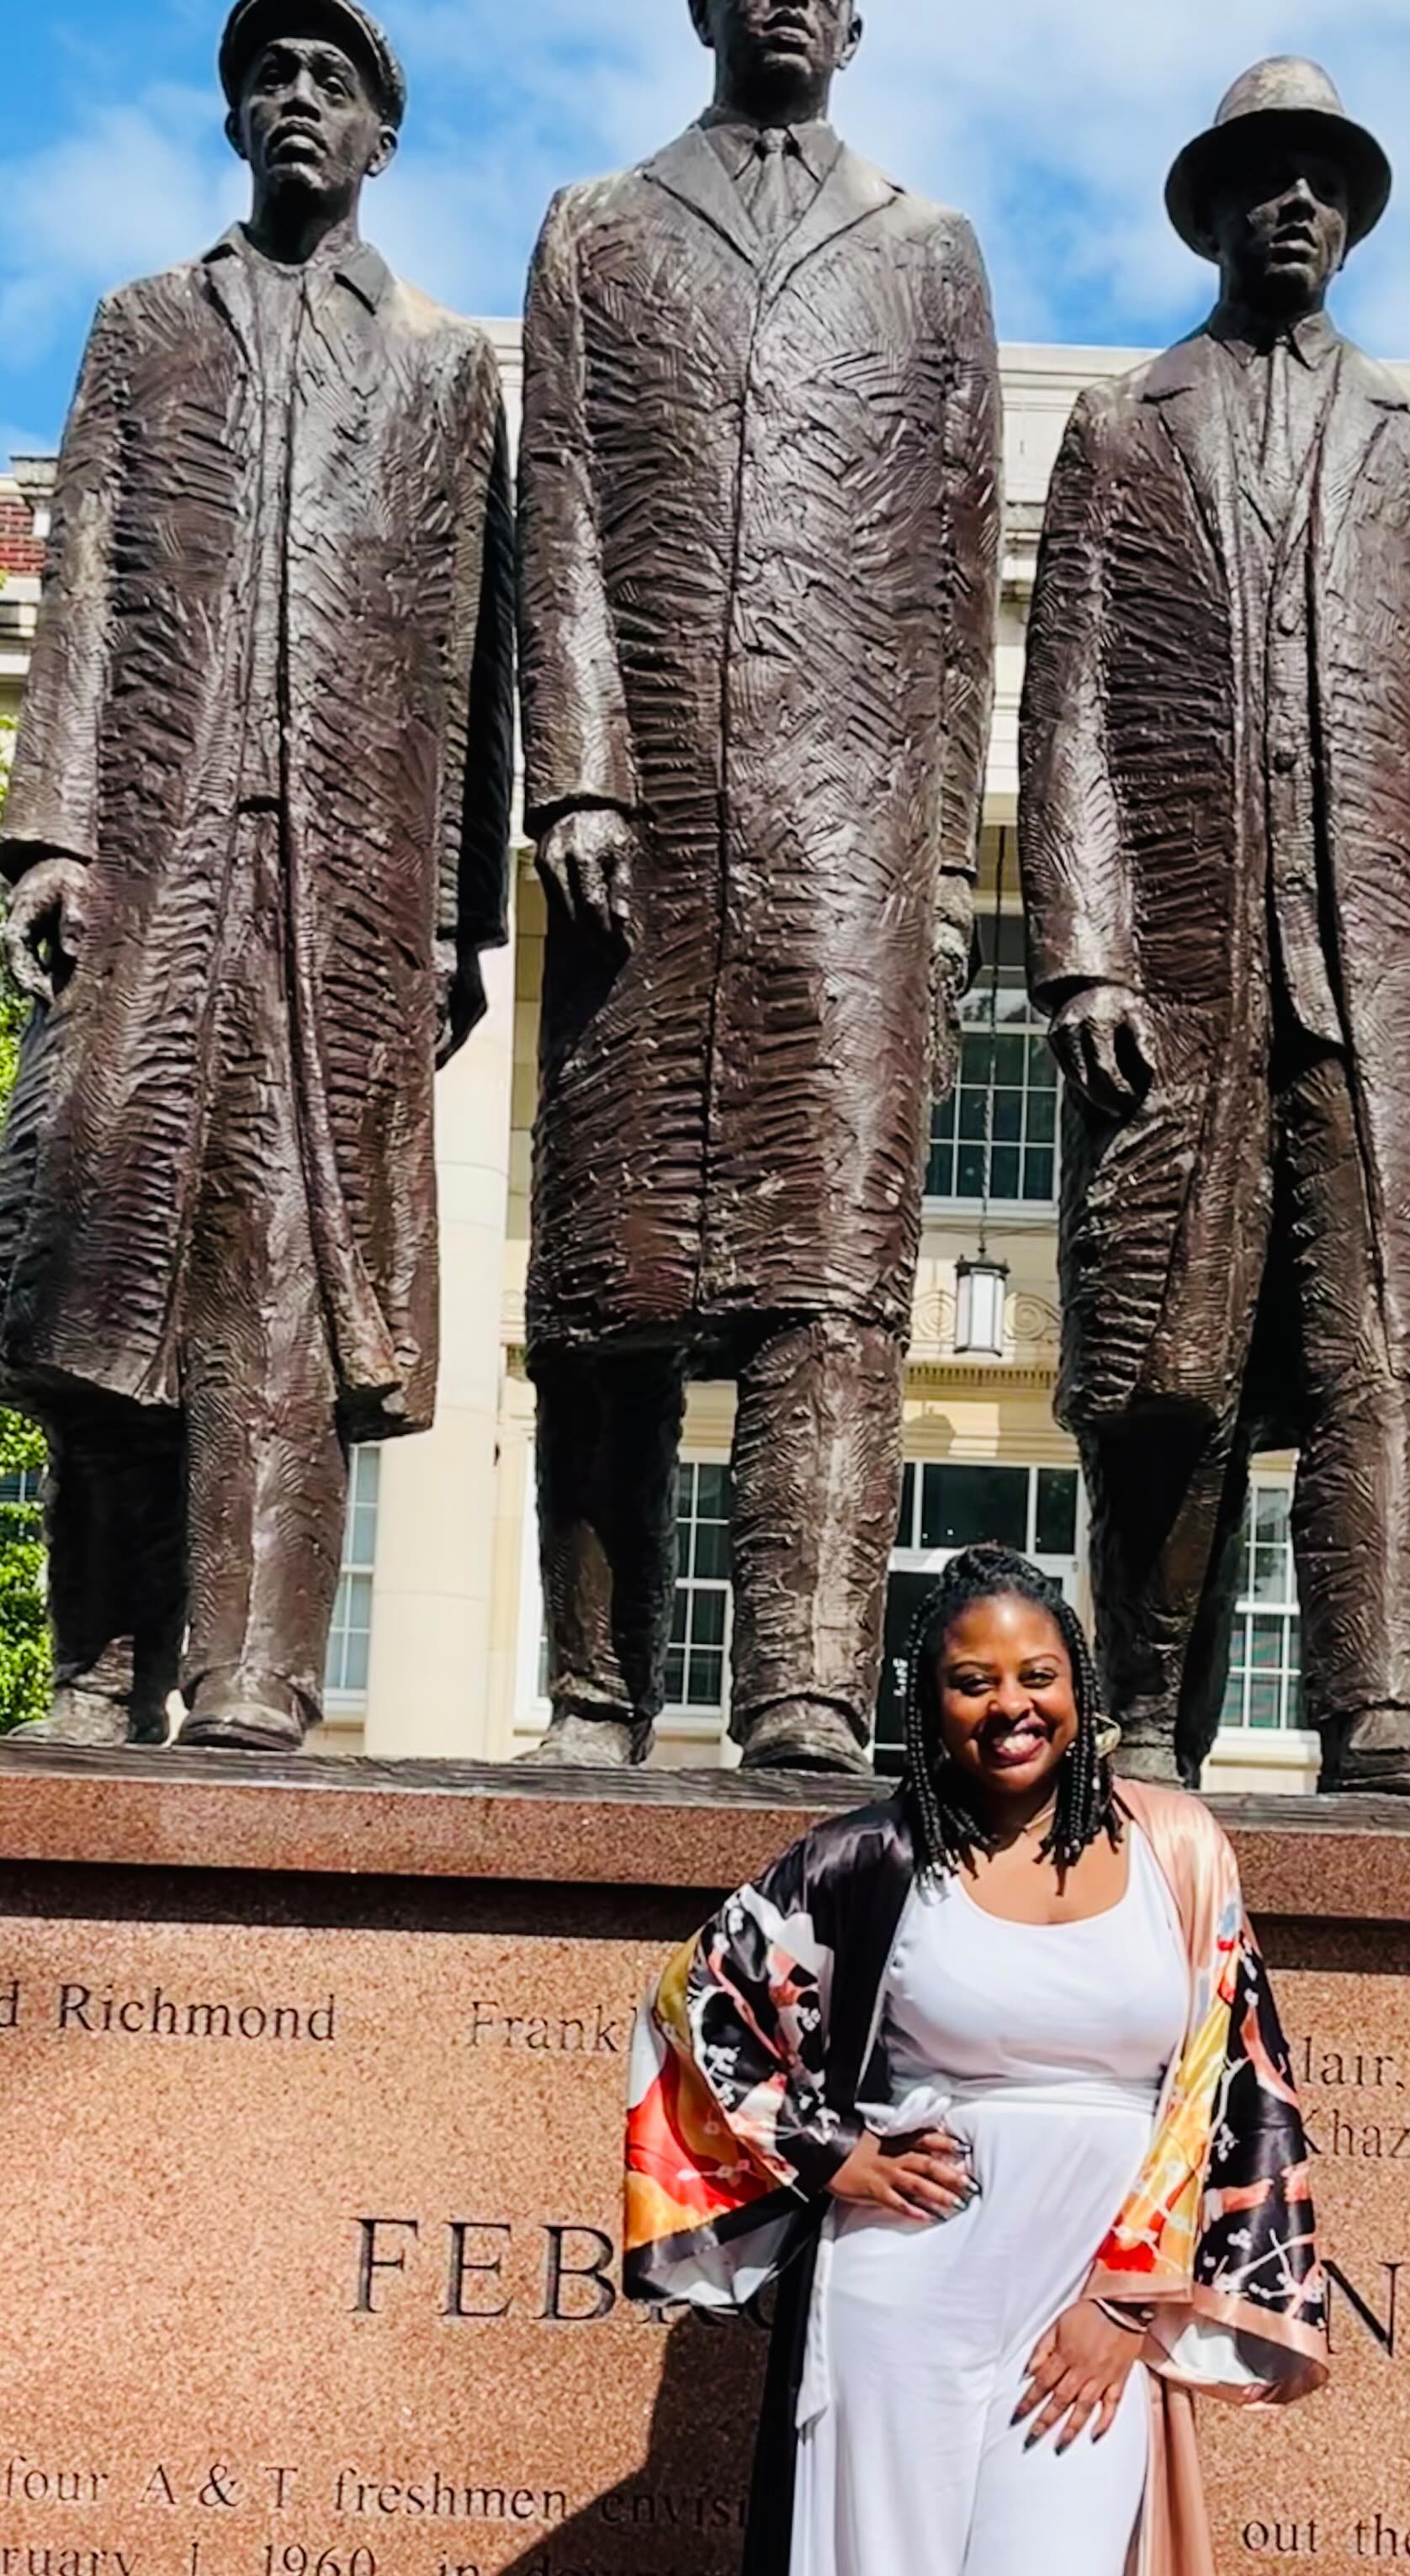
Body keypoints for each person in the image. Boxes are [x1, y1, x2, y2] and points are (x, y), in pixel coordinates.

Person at [624, 1544, 1328, 2576]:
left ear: (1079, 1679)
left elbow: (1225, 2080)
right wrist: (832, 2152)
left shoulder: (1176, 1849)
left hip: (1088, 2326)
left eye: (1034, 1675)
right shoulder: (867, 1860)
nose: (1007, 1707)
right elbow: (691, 2023)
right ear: (921, 1700)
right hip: (902, 2315)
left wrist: (1132, 2297)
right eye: (967, 1679)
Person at [0, 1, 514, 1753]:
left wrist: (457, 917)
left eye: (335, 83)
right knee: (105, 1254)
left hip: (345, 888)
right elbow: (78, 599)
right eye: (269, 78)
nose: (297, 101)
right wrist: (54, 833)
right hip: (153, 857)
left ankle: (255, 1668)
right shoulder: (148, 325)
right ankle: (94, 1659)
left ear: (383, 136)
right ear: (235, 121)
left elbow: (470, 658)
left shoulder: (446, 370)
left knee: (282, 1267)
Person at [517, 0, 1001, 1777]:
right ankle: (594, 1681)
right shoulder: (600, 223)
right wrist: (573, 763)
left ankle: (797, 1687)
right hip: (641, 816)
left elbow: (958, 569)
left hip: (848, 838)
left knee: (833, 1278)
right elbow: (555, 499)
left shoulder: (930, 253)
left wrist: (946, 873)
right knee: (607, 1275)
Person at [1020, 60, 1410, 1799]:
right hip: (1179, 972)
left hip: (1376, 991)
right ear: (1213, 207)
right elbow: (1065, 700)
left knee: (1390, 1351)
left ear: (1353, 215)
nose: (1294, 203)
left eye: (1323, 180)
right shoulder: (1124, 428)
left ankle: (1380, 1706)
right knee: (1170, 1362)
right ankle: (1151, 1713)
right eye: (1263, 177)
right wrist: (1077, 943)